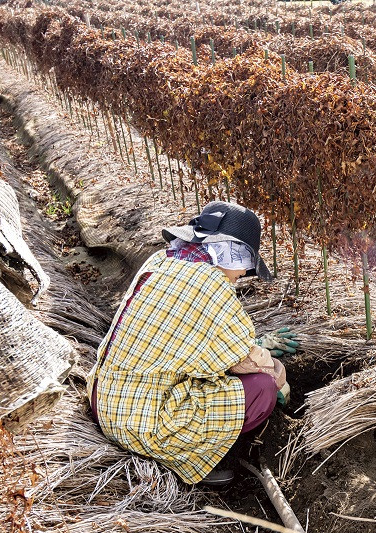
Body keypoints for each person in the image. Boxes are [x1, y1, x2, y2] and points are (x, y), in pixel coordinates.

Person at [87, 201, 299, 487]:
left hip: (107, 401)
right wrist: (278, 375)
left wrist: (255, 344)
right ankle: (196, 459)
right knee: (261, 389)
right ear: (231, 253)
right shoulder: (210, 282)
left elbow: (183, 339)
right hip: (141, 425)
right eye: (244, 267)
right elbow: (244, 360)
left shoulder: (160, 261)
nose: (241, 276)